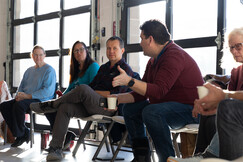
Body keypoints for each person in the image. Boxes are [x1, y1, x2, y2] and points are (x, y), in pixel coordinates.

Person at [111, 20, 204, 162]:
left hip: (191, 110)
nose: (140, 43)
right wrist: (117, 99)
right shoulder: (154, 60)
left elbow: (159, 91)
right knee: (130, 109)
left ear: (150, 39)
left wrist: (129, 81)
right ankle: (141, 157)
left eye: (141, 38)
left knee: (152, 111)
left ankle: (167, 159)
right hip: (169, 107)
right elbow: (142, 93)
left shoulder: (173, 56)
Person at [30, 36, 134, 160]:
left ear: (122, 51)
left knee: (83, 88)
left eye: (115, 48)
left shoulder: (125, 70)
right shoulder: (103, 68)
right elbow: (91, 88)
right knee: (65, 107)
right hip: (92, 104)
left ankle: (51, 105)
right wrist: (95, 92)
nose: (111, 51)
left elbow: (116, 95)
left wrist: (96, 92)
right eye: (108, 48)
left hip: (108, 107)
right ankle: (56, 148)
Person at [167, 27, 243, 162]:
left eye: (238, 46)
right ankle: (201, 154)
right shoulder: (237, 71)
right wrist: (210, 103)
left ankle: (208, 156)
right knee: (210, 111)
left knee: (227, 107)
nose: (234, 51)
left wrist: (223, 96)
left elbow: (230, 99)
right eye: (231, 48)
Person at [44, 41, 99, 150]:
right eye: (76, 51)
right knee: (51, 109)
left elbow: (93, 89)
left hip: (88, 103)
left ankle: (52, 104)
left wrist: (61, 100)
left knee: (54, 105)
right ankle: (61, 141)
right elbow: (70, 89)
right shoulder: (76, 70)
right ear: (73, 54)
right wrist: (62, 97)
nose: (79, 52)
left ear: (86, 51)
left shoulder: (93, 66)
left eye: (81, 49)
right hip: (75, 102)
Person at [0, 45, 56, 147]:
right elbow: (21, 87)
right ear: (32, 56)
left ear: (44, 56)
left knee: (19, 106)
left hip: (40, 100)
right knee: (4, 106)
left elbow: (47, 92)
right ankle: (24, 132)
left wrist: (27, 96)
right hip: (25, 98)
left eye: (40, 55)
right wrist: (18, 96)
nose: (38, 57)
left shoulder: (49, 70)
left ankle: (20, 135)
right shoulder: (29, 71)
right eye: (35, 55)